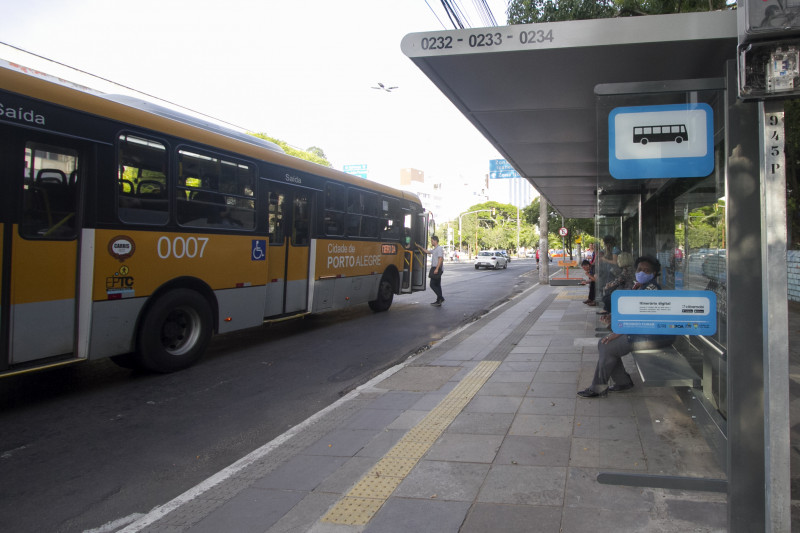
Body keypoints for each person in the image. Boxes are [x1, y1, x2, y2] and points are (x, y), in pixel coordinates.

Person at [578, 255, 674, 398]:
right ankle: (621, 382)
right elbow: (633, 312)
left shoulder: (651, 289)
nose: (642, 273)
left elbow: (643, 318)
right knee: (605, 344)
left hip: (652, 335)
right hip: (643, 331)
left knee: (607, 346)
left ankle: (600, 387)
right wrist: (614, 319)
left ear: (654, 273)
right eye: (639, 269)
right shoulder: (643, 286)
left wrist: (620, 331)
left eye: (646, 271)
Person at [417, 235, 445, 306]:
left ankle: (441, 298)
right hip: (436, 268)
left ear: (435, 241)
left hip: (437, 268)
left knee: (432, 284)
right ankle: (438, 300)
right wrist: (420, 247)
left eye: (432, 241)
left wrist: (437, 269)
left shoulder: (439, 249)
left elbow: (440, 259)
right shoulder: (435, 249)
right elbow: (427, 251)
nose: (431, 242)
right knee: (437, 285)